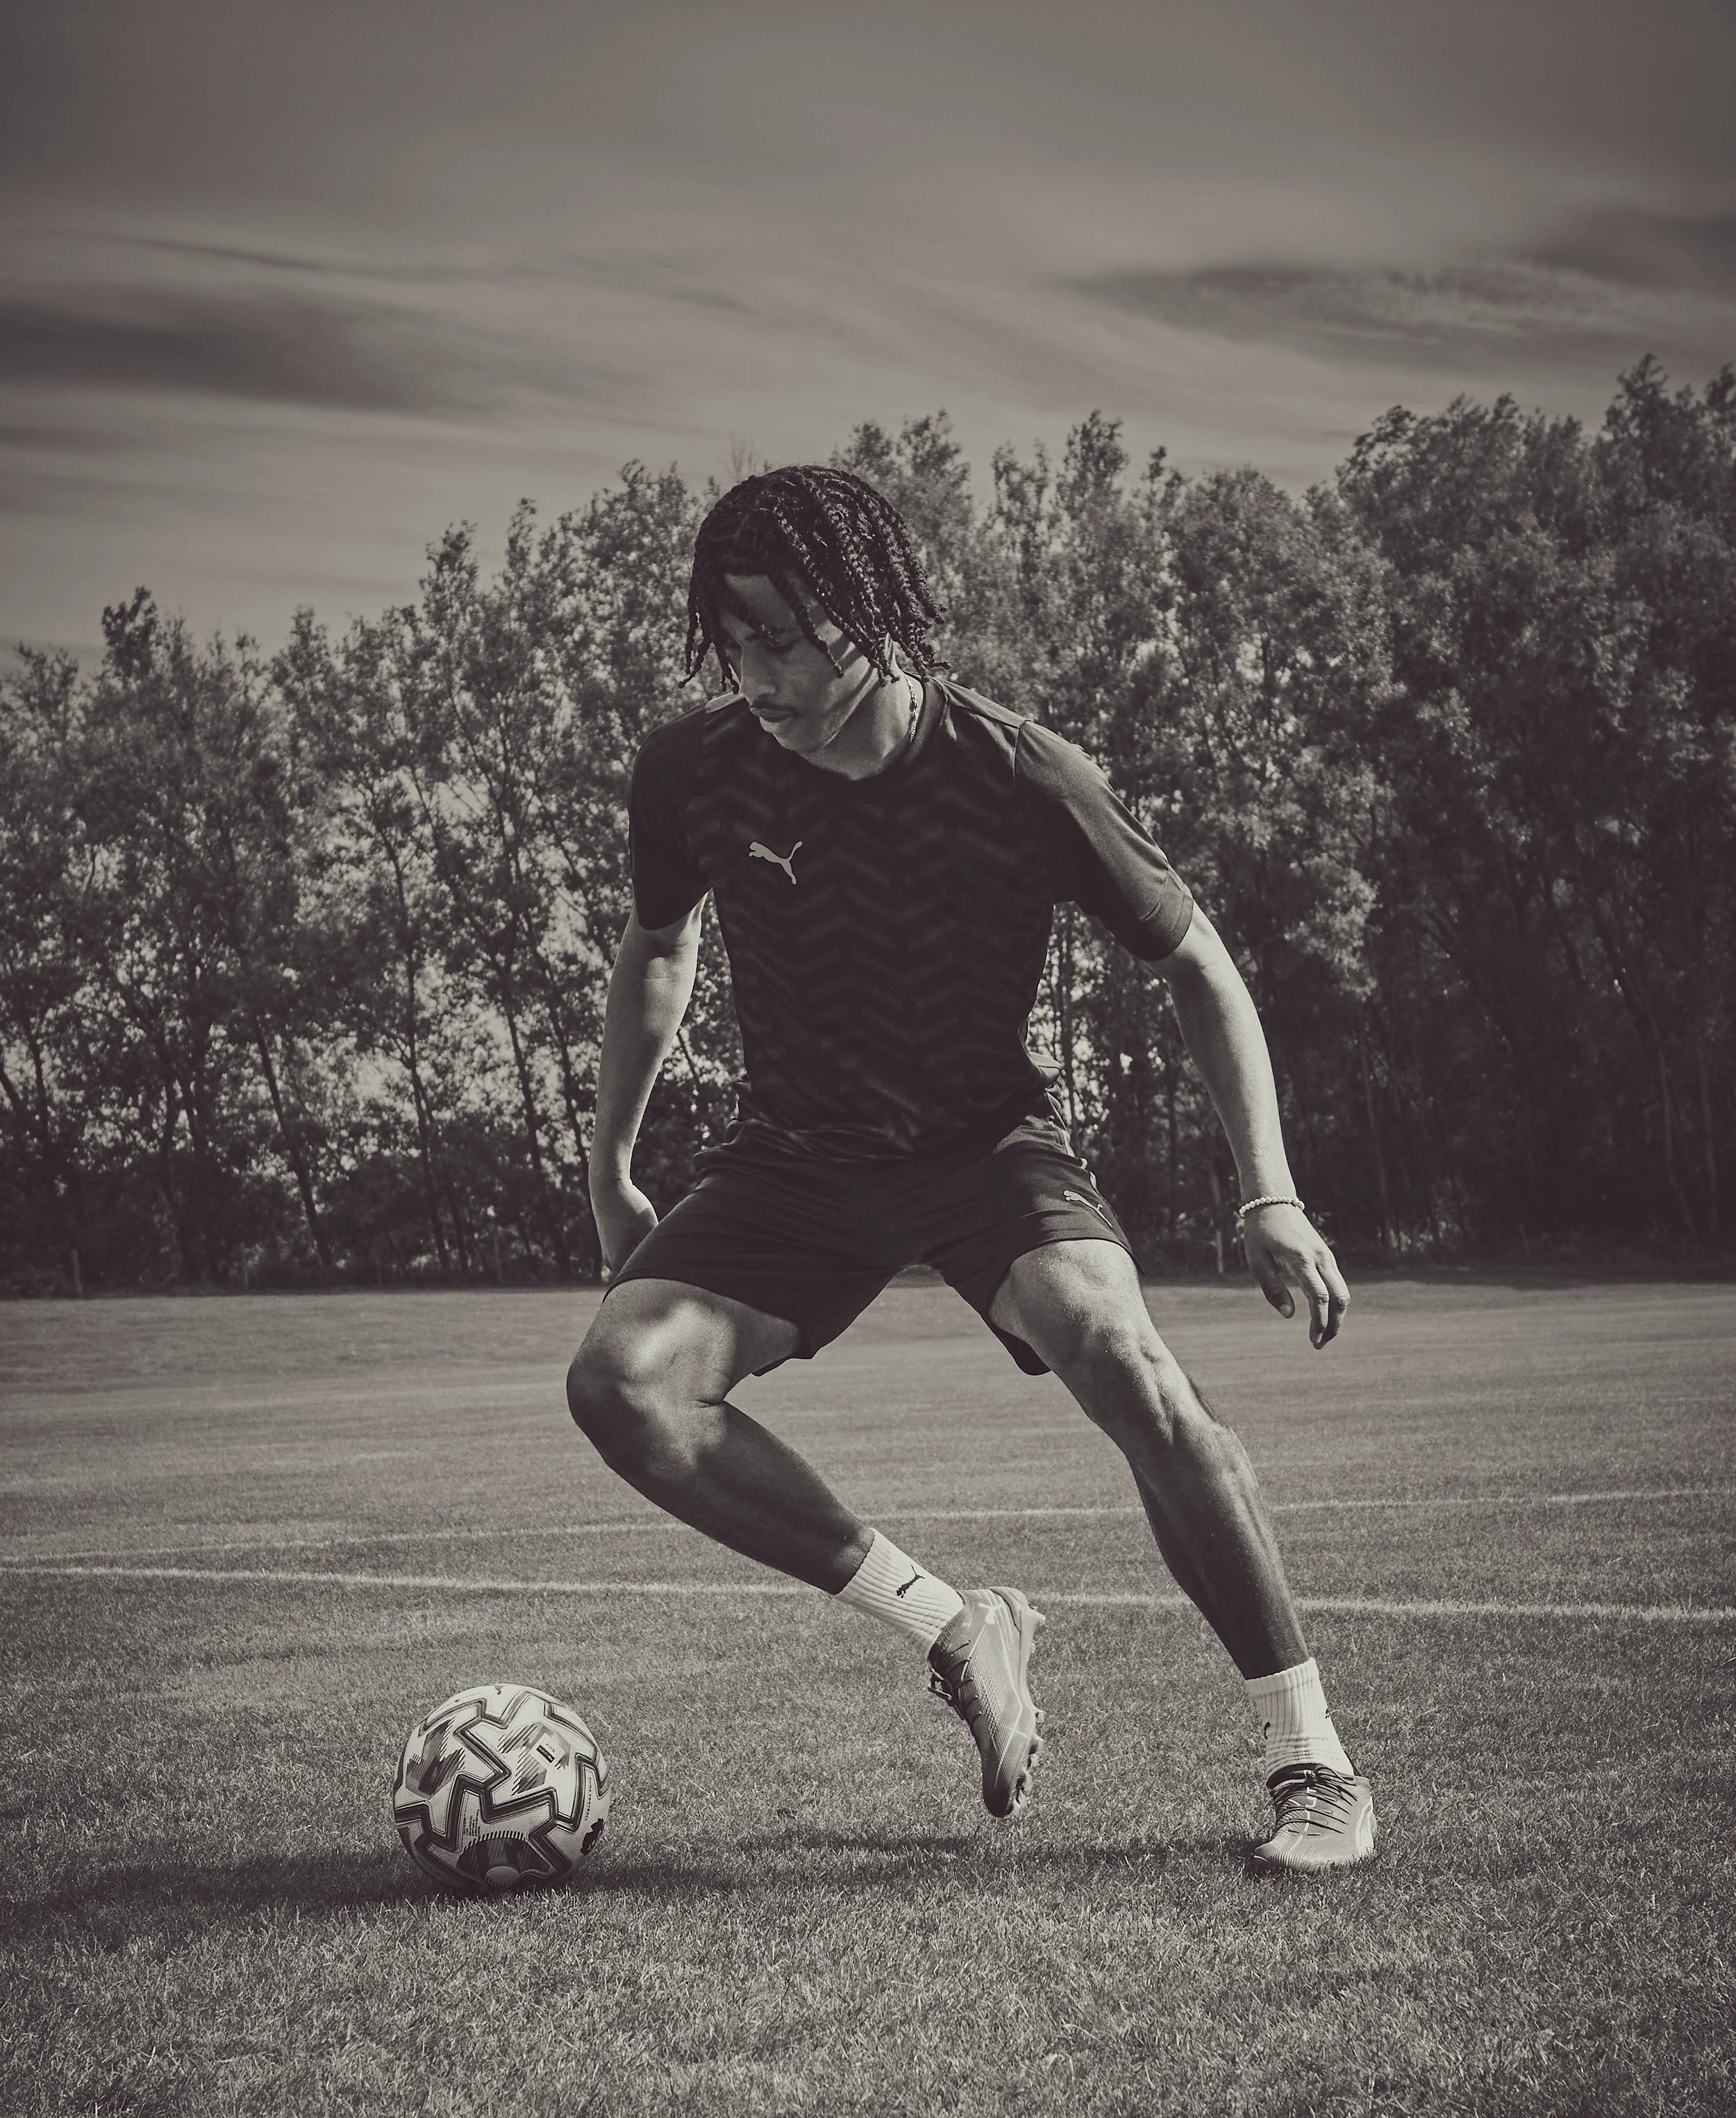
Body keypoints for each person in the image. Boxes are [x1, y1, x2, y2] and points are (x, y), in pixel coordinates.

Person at [567, 464, 1375, 1872]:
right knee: (618, 1381)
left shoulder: (1013, 771)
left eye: (773, 633)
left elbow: (1196, 963)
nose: (745, 668)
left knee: (1125, 1359)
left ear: (861, 613)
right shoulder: (692, 768)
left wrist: (1269, 1192)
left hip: (982, 1145)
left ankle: (1313, 1766)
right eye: (726, 637)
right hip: (794, 1158)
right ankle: (953, 1624)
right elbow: (656, 949)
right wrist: (611, 1163)